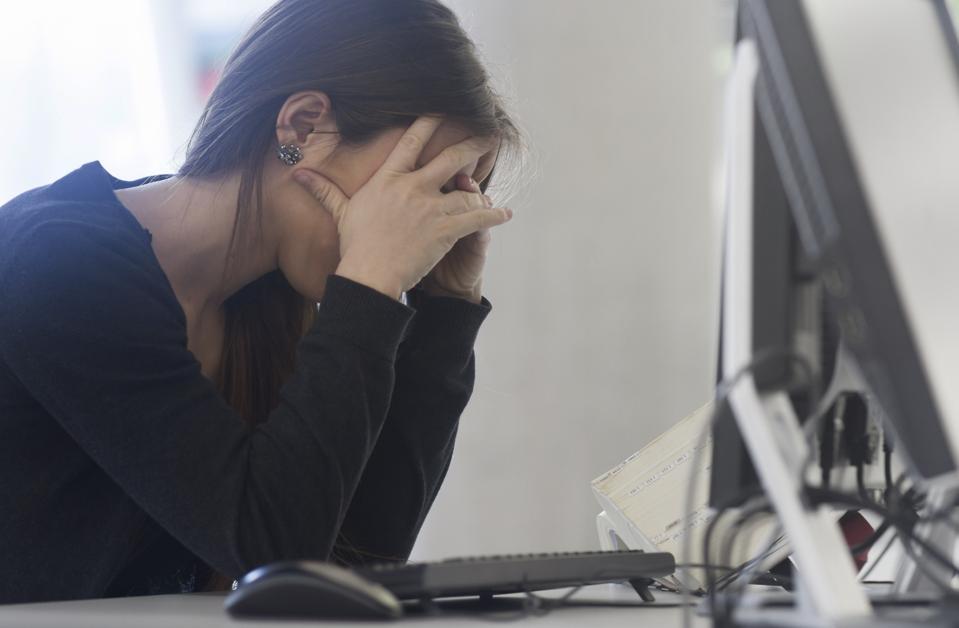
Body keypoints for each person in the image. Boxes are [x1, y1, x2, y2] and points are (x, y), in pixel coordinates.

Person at [0, 0, 521, 602]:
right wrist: (370, 281)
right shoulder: (62, 263)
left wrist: (447, 305)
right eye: (416, 183)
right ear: (303, 127)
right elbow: (273, 550)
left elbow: (355, 559)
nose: (425, 221)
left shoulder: (267, 304)